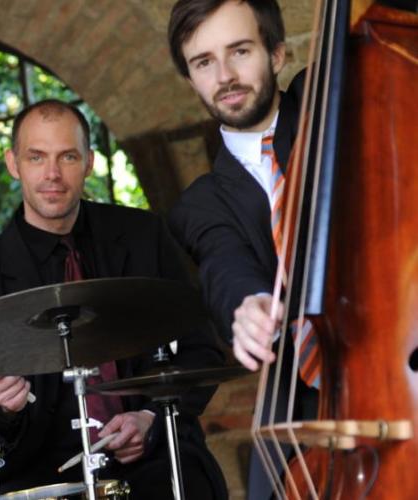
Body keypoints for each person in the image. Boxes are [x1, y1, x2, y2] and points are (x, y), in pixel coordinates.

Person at [0, 99, 227, 499]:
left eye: (68, 156)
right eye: (36, 157)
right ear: (13, 164)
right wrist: (5, 409)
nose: (52, 174)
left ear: (89, 162)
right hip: (46, 478)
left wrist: (149, 417)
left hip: (157, 463)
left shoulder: (144, 236)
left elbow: (201, 353)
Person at [166, 1, 316, 498]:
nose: (225, 76)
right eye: (204, 62)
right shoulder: (201, 204)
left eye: (240, 51)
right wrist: (248, 302)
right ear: (191, 79)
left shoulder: (329, 99)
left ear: (277, 54)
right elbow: (223, 261)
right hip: (306, 400)